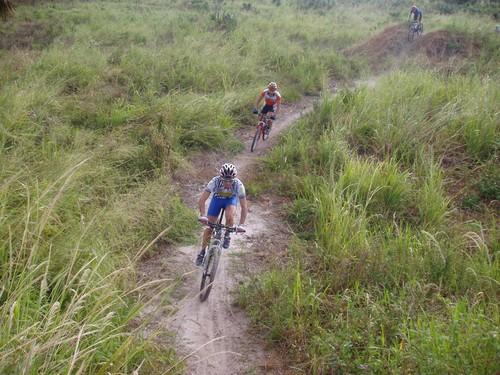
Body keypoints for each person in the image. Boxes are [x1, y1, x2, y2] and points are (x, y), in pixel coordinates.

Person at [195, 163, 248, 266]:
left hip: (230, 201)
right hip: (217, 200)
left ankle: (227, 234)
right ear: (220, 178)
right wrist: (203, 215)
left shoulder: (239, 185)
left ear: (234, 179)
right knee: (209, 227)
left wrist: (241, 224)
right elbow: (202, 199)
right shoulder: (214, 181)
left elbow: (244, 207)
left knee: (229, 215)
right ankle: (202, 252)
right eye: (225, 180)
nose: (227, 183)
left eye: (230, 181)